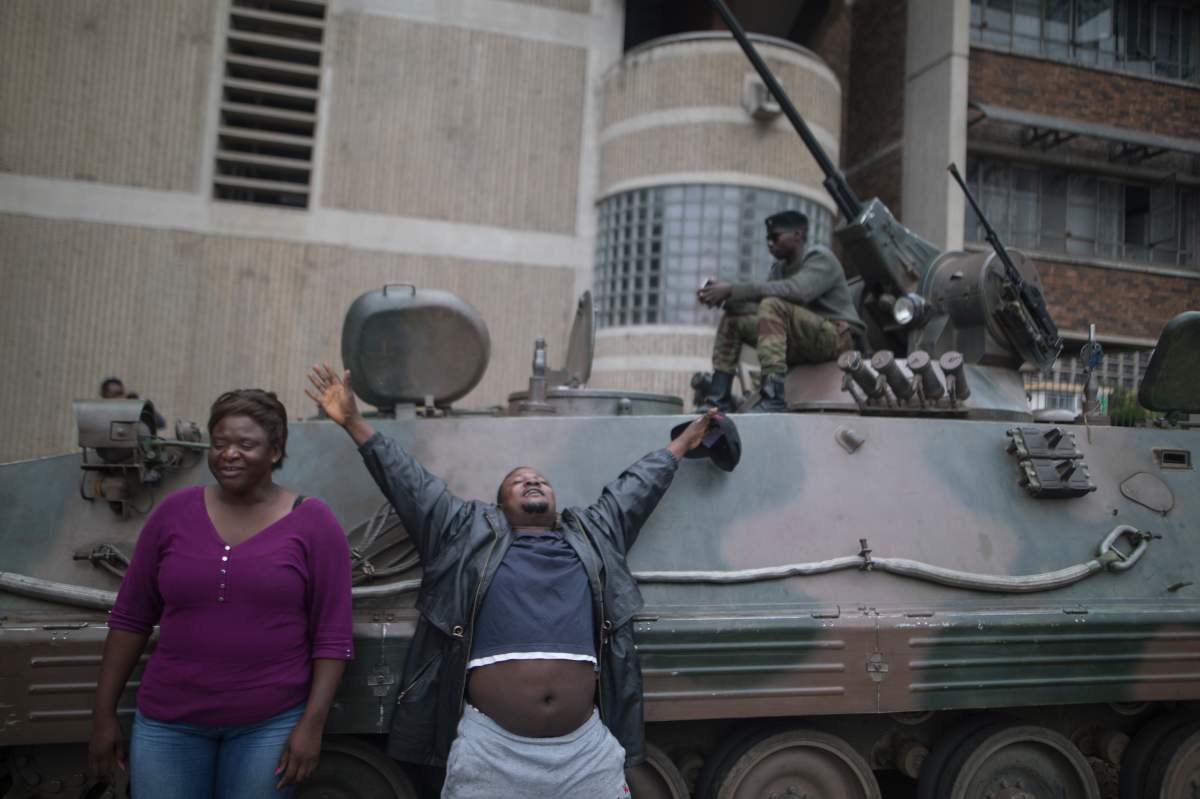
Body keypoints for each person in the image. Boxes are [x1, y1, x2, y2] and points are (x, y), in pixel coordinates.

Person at [305, 364, 716, 798]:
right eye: (519, 481)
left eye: (540, 480)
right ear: (500, 504)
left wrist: (685, 442)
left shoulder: (594, 533)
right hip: (492, 749)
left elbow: (637, 488)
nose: (533, 481)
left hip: (584, 749)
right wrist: (352, 421)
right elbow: (410, 482)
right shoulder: (463, 532)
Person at [87, 389, 354, 798]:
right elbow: (131, 619)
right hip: (168, 724)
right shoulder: (173, 513)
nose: (229, 454)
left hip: (269, 726)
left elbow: (332, 636)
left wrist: (311, 725)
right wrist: (103, 714)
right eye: (220, 443)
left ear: (275, 450)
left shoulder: (314, 523)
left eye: (246, 444)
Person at [697, 209, 864, 412]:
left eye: (775, 236)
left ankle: (773, 397)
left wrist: (733, 289)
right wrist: (724, 299)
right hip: (803, 341)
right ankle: (718, 398)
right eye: (768, 238)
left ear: (797, 234)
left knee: (772, 304)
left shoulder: (820, 258)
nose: (769, 243)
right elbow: (761, 312)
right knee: (734, 320)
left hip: (836, 339)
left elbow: (798, 291)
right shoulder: (779, 269)